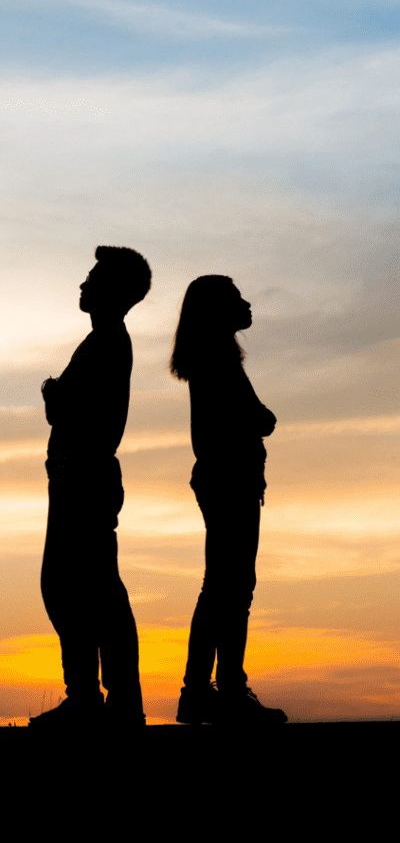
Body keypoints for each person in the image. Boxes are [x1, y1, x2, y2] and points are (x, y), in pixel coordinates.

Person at [31, 246, 151, 728]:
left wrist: (51, 391)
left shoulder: (106, 344)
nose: (83, 284)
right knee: (79, 589)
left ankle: (102, 699)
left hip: (85, 479)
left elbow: (65, 408)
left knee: (81, 589)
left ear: (116, 291)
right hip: (78, 478)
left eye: (94, 277)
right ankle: (100, 697)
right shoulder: (102, 341)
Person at [170, 275, 287, 725]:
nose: (248, 303)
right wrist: (261, 417)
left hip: (226, 480)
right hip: (229, 481)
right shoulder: (218, 361)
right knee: (231, 590)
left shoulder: (213, 359)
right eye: (237, 298)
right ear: (218, 310)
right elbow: (259, 418)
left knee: (225, 587)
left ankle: (205, 691)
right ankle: (221, 690)